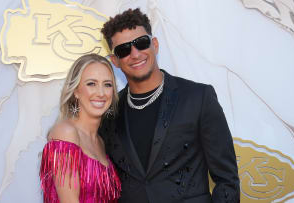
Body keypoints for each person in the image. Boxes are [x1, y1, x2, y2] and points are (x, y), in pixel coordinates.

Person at [99, 8, 240, 203]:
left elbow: (227, 181)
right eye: (124, 50)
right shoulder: (109, 112)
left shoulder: (198, 98)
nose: (135, 54)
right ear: (115, 61)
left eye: (141, 43)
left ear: (154, 45)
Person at [39, 54, 121, 203]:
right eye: (91, 84)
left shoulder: (101, 142)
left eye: (107, 84)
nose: (101, 93)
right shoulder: (66, 133)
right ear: (76, 90)